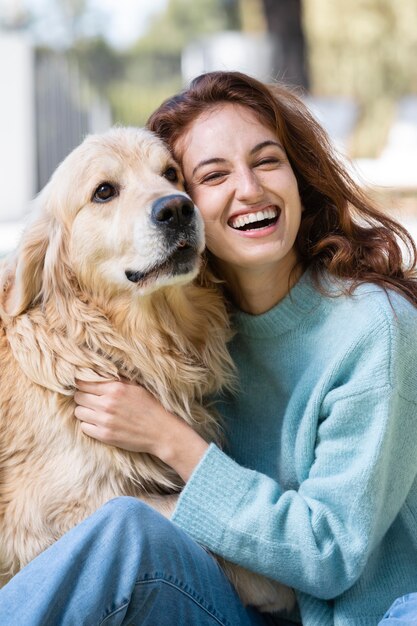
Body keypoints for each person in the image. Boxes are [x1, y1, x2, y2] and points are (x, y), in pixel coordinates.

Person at [1, 71, 417, 626]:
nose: (247, 189)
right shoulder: (205, 333)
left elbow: (330, 553)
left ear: (300, 175)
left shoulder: (373, 331)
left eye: (267, 161)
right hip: (231, 603)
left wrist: (166, 436)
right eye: (212, 174)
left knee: (129, 532)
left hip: (344, 616)